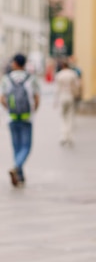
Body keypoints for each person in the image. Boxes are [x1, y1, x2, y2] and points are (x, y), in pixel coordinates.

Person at [0, 53, 40, 187]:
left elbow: (2, 98)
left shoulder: (7, 78)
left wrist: (9, 110)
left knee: (16, 146)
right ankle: (17, 168)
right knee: (26, 146)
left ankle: (19, 173)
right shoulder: (31, 78)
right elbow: (36, 98)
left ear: (15, 63)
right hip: (27, 118)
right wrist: (33, 111)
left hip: (12, 118)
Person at [54, 59, 80, 146]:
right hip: (70, 96)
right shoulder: (72, 74)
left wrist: (55, 101)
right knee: (70, 117)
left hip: (62, 96)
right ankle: (70, 136)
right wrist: (77, 95)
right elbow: (76, 86)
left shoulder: (59, 75)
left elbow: (57, 89)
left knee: (63, 117)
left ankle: (63, 136)